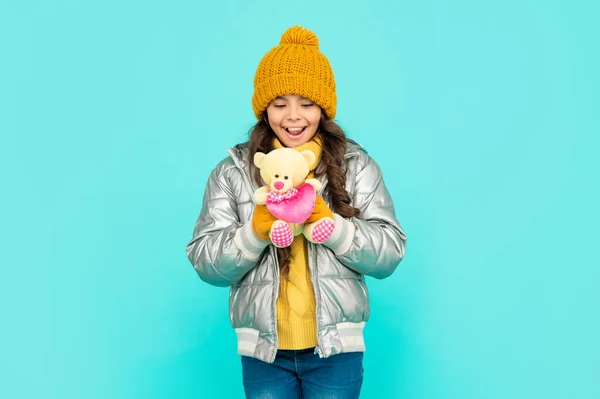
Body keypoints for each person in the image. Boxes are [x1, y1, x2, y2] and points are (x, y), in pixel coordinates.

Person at [186, 25, 407, 399]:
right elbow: (204, 262)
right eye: (279, 103)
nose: (293, 116)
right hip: (264, 352)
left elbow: (390, 253)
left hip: (336, 349)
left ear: (323, 107)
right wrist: (252, 233)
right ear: (263, 108)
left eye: (306, 103)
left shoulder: (356, 166)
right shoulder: (235, 171)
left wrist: (333, 226)